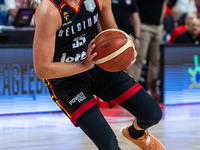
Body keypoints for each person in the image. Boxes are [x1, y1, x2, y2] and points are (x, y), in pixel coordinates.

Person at [33, 0, 166, 149]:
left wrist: (125, 49)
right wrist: (82, 65)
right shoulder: (49, 10)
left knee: (152, 114)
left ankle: (136, 134)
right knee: (108, 144)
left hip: (98, 66)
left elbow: (112, 33)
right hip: (66, 81)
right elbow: (42, 70)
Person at [127, 0, 169, 103]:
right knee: (138, 59)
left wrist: (161, 22)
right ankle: (131, 91)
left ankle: (153, 90)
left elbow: (164, 3)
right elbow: (134, 8)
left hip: (158, 27)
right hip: (144, 26)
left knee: (156, 60)